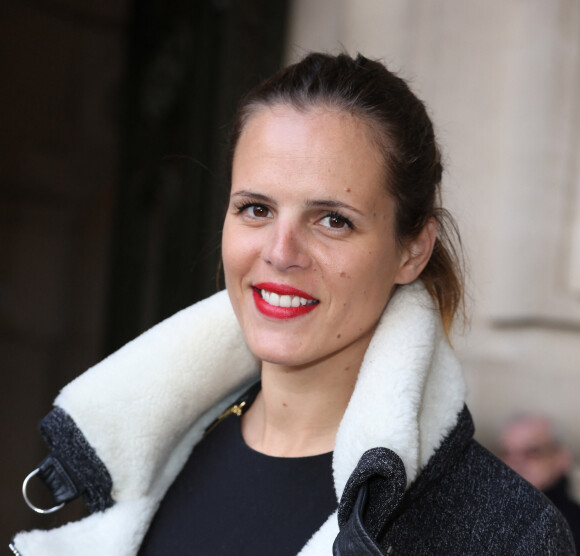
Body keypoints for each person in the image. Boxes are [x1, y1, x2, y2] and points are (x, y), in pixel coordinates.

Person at [10, 53, 574, 555]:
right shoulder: (142, 458)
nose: (280, 253)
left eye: (333, 220)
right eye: (256, 209)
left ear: (412, 250)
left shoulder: (508, 535)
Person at [500, 414, 580, 550]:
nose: (515, 462)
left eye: (532, 451)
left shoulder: (572, 525)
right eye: (507, 453)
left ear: (561, 458)